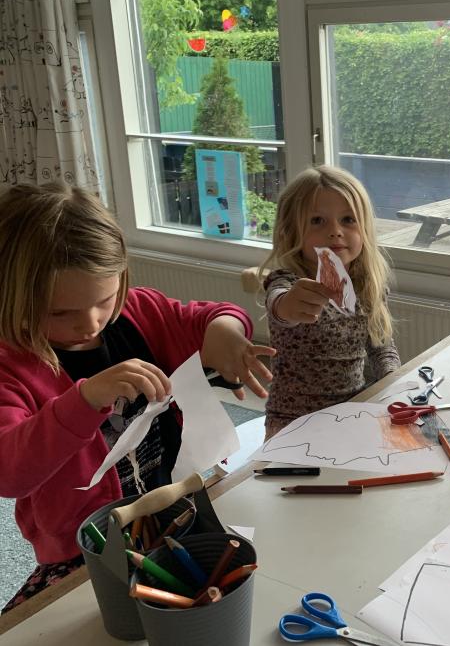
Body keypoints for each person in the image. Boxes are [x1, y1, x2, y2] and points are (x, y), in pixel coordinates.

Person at [0, 183, 272, 613]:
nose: (90, 323)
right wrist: (84, 400)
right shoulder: (11, 367)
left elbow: (207, 317)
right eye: (60, 312)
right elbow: (9, 473)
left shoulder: (139, 313)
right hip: (83, 548)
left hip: (174, 513)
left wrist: (226, 331)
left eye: (103, 300)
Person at [260, 165, 400, 439]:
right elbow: (279, 307)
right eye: (317, 221)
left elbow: (381, 347)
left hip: (352, 413)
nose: (335, 231)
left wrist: (394, 380)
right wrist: (289, 305)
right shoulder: (287, 281)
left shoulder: (368, 287)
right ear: (291, 230)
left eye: (348, 219)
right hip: (293, 425)